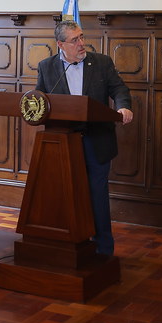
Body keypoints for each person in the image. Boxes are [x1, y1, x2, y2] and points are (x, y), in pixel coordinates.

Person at [36, 20, 133, 257]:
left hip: (96, 139)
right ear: (60, 44)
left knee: (96, 193)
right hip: (63, 141)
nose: (82, 43)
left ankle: (103, 249)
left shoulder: (101, 62)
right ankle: (68, 242)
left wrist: (123, 107)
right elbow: (39, 100)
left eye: (82, 37)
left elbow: (119, 89)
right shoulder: (46, 67)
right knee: (66, 193)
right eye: (75, 40)